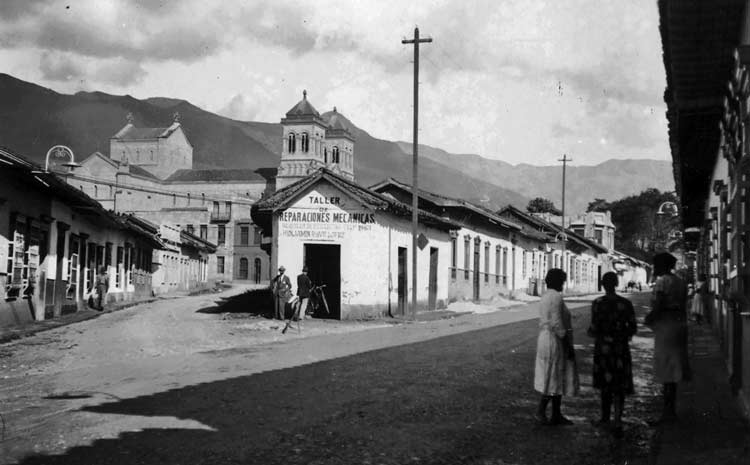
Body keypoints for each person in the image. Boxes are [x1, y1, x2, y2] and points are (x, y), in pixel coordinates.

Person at [588, 272, 637, 437]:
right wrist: (622, 335)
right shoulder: (625, 303)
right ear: (616, 284)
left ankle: (605, 417)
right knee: (620, 384)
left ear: (603, 285)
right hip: (620, 349)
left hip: (603, 350)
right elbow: (633, 328)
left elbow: (593, 328)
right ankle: (618, 419)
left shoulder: (597, 303)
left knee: (605, 384)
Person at [644, 252, 689, 423]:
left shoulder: (663, 281)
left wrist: (650, 318)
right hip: (678, 325)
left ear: (661, 265)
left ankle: (667, 413)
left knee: (665, 368)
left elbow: (659, 305)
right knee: (674, 367)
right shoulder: (680, 282)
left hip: (666, 326)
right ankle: (671, 410)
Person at [534, 268, 579, 425]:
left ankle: (556, 414)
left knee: (555, 376)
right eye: (562, 281)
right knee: (553, 376)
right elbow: (557, 324)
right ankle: (541, 411)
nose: (563, 284)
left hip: (547, 338)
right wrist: (568, 345)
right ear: (557, 281)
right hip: (554, 340)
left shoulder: (547, 296)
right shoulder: (555, 297)